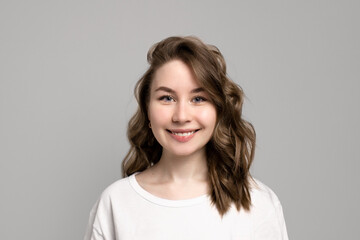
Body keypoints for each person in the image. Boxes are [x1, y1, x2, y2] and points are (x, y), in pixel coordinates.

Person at [84, 36, 289, 240]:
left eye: (198, 99)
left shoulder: (257, 202)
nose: (181, 116)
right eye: (167, 98)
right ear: (147, 110)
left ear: (219, 110)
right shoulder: (116, 203)